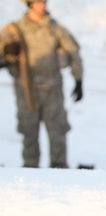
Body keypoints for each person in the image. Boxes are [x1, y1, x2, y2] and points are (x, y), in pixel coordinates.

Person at [0, 0, 83, 168]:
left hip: (52, 90)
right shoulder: (14, 30)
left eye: (44, 2)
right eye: (38, 2)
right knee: (29, 132)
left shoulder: (54, 28)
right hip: (26, 90)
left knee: (58, 131)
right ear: (30, 4)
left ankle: (59, 169)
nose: (43, 6)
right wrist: (8, 52)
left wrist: (78, 80)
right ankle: (30, 171)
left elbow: (73, 52)